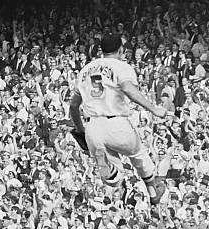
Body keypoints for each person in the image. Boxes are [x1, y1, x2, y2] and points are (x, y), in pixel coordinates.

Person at [69, 33, 166, 206]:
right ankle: (153, 191)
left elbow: (73, 107)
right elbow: (129, 89)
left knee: (114, 178)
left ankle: (109, 170)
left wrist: (80, 130)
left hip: (92, 126)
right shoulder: (121, 66)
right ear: (121, 49)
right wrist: (154, 109)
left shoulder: (85, 70)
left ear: (101, 50)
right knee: (138, 155)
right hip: (116, 122)